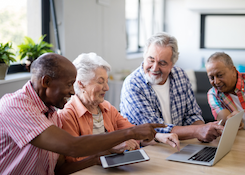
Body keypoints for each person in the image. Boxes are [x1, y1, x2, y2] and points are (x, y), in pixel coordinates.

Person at [0, 53, 165, 175]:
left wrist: (98, 157)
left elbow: (60, 169)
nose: (73, 91)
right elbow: (72, 146)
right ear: (46, 82)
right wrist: (131, 132)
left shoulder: (51, 114)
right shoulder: (15, 106)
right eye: (69, 84)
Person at [58, 52, 180, 163]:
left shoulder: (107, 108)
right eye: (100, 82)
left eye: (106, 81)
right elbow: (73, 159)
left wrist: (159, 137)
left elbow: (134, 133)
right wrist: (109, 149)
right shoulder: (67, 114)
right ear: (81, 84)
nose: (107, 88)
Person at [120, 32, 224, 143]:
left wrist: (203, 132)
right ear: (144, 57)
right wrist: (198, 131)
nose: (155, 68)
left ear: (172, 64)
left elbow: (192, 114)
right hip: (148, 150)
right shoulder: (132, 85)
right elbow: (154, 128)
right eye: (151, 60)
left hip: (178, 145)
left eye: (162, 63)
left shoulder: (180, 75)